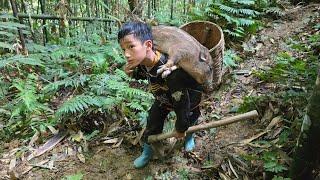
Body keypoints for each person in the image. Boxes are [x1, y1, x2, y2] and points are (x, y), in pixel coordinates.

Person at [118, 21, 203, 168]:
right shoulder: (143, 62)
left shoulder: (170, 70)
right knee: (153, 120)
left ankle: (189, 136)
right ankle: (148, 151)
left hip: (187, 96)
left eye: (131, 46)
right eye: (123, 49)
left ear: (148, 45)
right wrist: (132, 74)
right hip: (164, 97)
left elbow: (182, 102)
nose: (126, 54)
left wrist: (181, 128)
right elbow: (145, 74)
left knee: (190, 115)